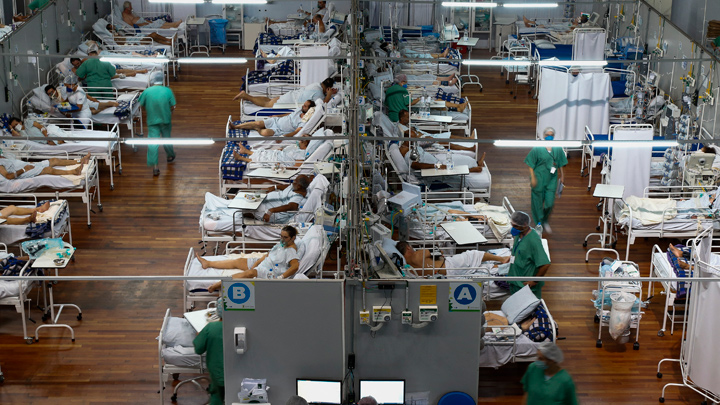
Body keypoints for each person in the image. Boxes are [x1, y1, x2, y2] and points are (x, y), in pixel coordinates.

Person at [201, 226, 302, 292]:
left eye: (285, 237)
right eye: (281, 236)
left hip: (269, 271)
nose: (282, 239)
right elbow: (267, 255)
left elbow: (295, 267)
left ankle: (217, 285)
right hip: (262, 263)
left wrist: (281, 277)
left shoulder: (290, 251)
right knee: (239, 261)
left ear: (293, 238)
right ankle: (208, 263)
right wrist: (256, 263)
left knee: (248, 274)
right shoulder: (281, 245)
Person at [525, 127, 567, 233]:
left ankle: (545, 220)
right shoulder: (537, 148)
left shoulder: (557, 148)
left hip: (551, 179)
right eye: (547, 134)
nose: (549, 136)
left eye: (551, 134)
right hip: (538, 178)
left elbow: (561, 162)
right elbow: (530, 163)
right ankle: (539, 223)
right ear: (544, 136)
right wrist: (533, 177)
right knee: (537, 203)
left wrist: (562, 176)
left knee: (549, 203)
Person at [138, 71, 176, 176]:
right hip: (165, 119)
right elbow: (172, 106)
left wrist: (150, 109)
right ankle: (170, 155)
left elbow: (141, 105)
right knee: (167, 138)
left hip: (152, 120)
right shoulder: (167, 91)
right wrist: (169, 111)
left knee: (153, 143)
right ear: (162, 80)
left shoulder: (147, 92)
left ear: (152, 80)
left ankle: (155, 167)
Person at [396, 241, 510, 276]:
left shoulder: (407, 269)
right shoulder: (418, 254)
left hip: (445, 275)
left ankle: (503, 267)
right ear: (408, 247)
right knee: (473, 254)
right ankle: (501, 259)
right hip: (450, 265)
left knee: (479, 267)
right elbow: (438, 252)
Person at [507, 211, 551, 299]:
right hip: (515, 281)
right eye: (512, 225)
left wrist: (534, 281)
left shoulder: (533, 240)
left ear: (525, 225)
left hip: (525, 285)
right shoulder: (519, 234)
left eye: (515, 226)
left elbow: (545, 264)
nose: (513, 228)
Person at [193, 298, 225, 405]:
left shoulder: (211, 328)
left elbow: (198, 349)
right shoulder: (245, 327)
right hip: (240, 374)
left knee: (217, 398)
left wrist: (200, 335)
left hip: (218, 374)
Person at [229, 100, 316, 138]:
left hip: (279, 130)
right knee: (258, 123)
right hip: (276, 121)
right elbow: (289, 114)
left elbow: (296, 132)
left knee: (265, 132)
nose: (302, 106)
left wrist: (283, 136)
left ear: (309, 109)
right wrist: (277, 116)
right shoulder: (298, 110)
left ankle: (258, 130)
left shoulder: (303, 121)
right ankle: (236, 127)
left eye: (305, 106)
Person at [398, 110, 474, 152]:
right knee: (444, 142)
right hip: (420, 141)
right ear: (401, 118)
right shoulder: (402, 128)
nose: (409, 118)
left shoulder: (407, 125)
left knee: (447, 135)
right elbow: (412, 137)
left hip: (425, 136)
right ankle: (468, 149)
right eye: (407, 117)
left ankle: (469, 139)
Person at [233, 77, 336, 107]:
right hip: (290, 100)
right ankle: (246, 96)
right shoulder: (319, 94)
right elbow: (323, 104)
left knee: (269, 100)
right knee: (268, 104)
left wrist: (328, 92)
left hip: (291, 95)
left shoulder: (316, 84)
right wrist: (329, 95)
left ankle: (248, 96)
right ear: (328, 88)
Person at [231, 136, 315, 166]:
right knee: (263, 152)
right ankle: (245, 151)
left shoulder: (302, 154)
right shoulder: (296, 147)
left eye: (301, 140)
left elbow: (296, 167)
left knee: (262, 160)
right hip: (278, 154)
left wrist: (282, 167)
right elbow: (287, 151)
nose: (299, 139)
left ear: (305, 144)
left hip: (279, 161)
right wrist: (282, 149)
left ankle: (240, 158)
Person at [0, 152, 90, 180]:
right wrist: (24, 169)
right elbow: (8, 176)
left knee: (54, 160)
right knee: (48, 170)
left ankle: (79, 161)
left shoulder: (3, 158)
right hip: (24, 171)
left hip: (29, 165)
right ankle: (73, 171)